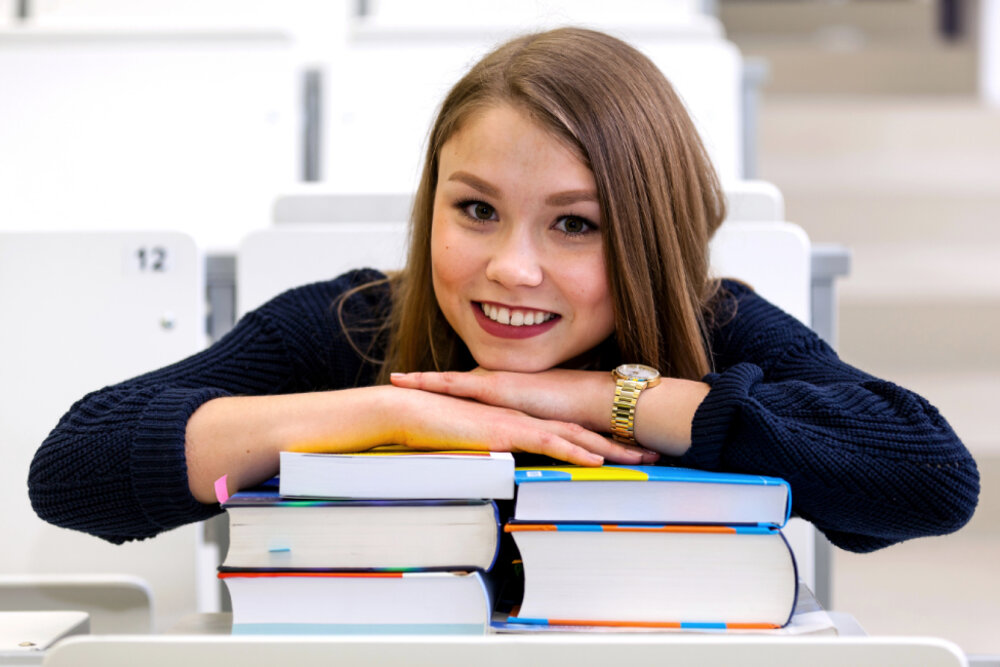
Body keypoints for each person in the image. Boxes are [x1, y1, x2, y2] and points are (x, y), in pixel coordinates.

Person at [29, 27, 978, 555]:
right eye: (476, 209)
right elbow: (75, 470)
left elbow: (927, 478)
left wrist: (619, 400)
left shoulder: (712, 326)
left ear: (645, 233)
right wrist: (390, 413)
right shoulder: (358, 325)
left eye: (575, 224)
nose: (511, 268)